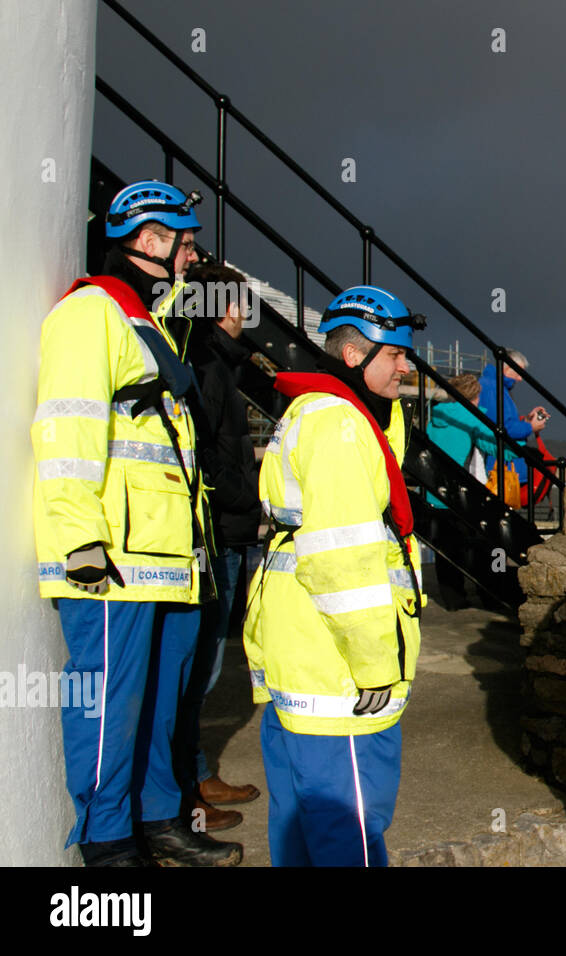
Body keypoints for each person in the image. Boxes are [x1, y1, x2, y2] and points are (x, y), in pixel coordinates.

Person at [31, 179, 241, 866]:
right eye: (183, 245)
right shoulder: (91, 314)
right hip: (113, 559)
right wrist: (79, 547)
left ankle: (158, 820)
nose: (191, 259)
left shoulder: (143, 321)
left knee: (160, 700)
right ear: (148, 242)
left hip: (167, 559)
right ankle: (108, 843)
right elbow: (68, 436)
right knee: (109, 705)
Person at [243, 284, 425, 866]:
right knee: (351, 834)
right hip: (341, 673)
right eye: (394, 354)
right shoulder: (341, 424)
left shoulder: (322, 411)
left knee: (300, 830)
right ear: (354, 356)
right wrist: (375, 663)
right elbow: (343, 560)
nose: (406, 366)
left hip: (306, 661)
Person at [175, 262, 263, 830]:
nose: (246, 316)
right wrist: (241, 502)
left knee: (199, 672)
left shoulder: (216, 365)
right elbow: (206, 454)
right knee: (196, 673)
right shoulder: (206, 366)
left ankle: (196, 775)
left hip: (224, 531)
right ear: (221, 308)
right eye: (240, 304)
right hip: (217, 534)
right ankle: (184, 794)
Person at [425, 372, 515, 607]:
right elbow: (494, 447)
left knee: (445, 549)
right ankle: (490, 594)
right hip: (463, 494)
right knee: (485, 546)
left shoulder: (434, 416)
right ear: (473, 396)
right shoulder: (469, 417)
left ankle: (453, 598)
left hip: (435, 493)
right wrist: (521, 442)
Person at [478, 347, 546, 482]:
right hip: (498, 463)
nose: (520, 378)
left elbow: (501, 422)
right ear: (507, 368)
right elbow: (503, 428)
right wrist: (530, 427)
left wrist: (527, 420)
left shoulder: (494, 386)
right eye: (518, 372)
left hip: (498, 459)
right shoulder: (492, 388)